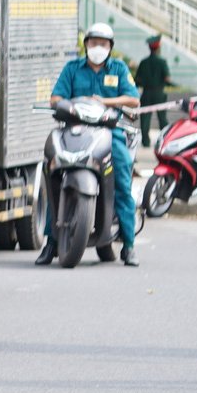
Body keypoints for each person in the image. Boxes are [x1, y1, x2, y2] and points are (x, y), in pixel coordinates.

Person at [38, 20, 138, 266]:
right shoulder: (73, 68)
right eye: (93, 43)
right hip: (75, 130)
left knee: (122, 180)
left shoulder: (119, 69)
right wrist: (69, 105)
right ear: (86, 45)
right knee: (56, 174)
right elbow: (56, 97)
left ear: (109, 47)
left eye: (102, 44)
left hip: (109, 132)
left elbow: (133, 100)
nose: (97, 47)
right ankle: (51, 243)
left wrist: (106, 102)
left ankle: (128, 245)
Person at [134, 34, 172, 147]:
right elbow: (167, 79)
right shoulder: (162, 62)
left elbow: (137, 80)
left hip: (146, 93)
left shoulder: (143, 62)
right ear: (158, 48)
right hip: (159, 93)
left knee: (145, 119)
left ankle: (145, 141)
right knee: (162, 118)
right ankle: (165, 140)